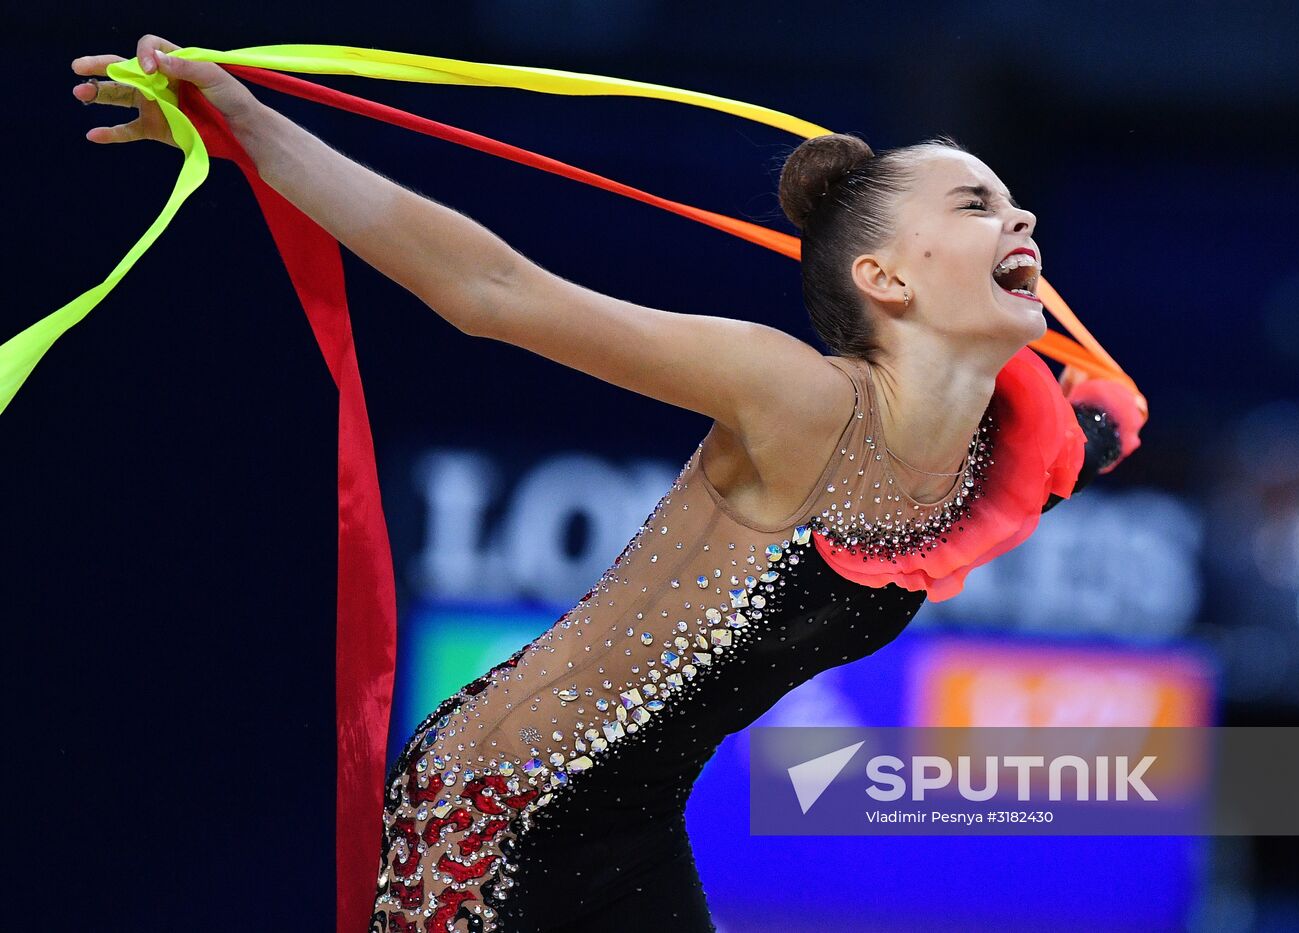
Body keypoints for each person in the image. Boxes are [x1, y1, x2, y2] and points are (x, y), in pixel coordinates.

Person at [73, 35, 1145, 933]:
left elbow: (1073, 450)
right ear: (884, 277)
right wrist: (247, 128)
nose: (1021, 222)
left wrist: (1100, 422)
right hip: (492, 806)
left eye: (1012, 204)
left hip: (630, 822)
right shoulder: (794, 398)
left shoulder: (990, 463)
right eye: (974, 205)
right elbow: (492, 290)